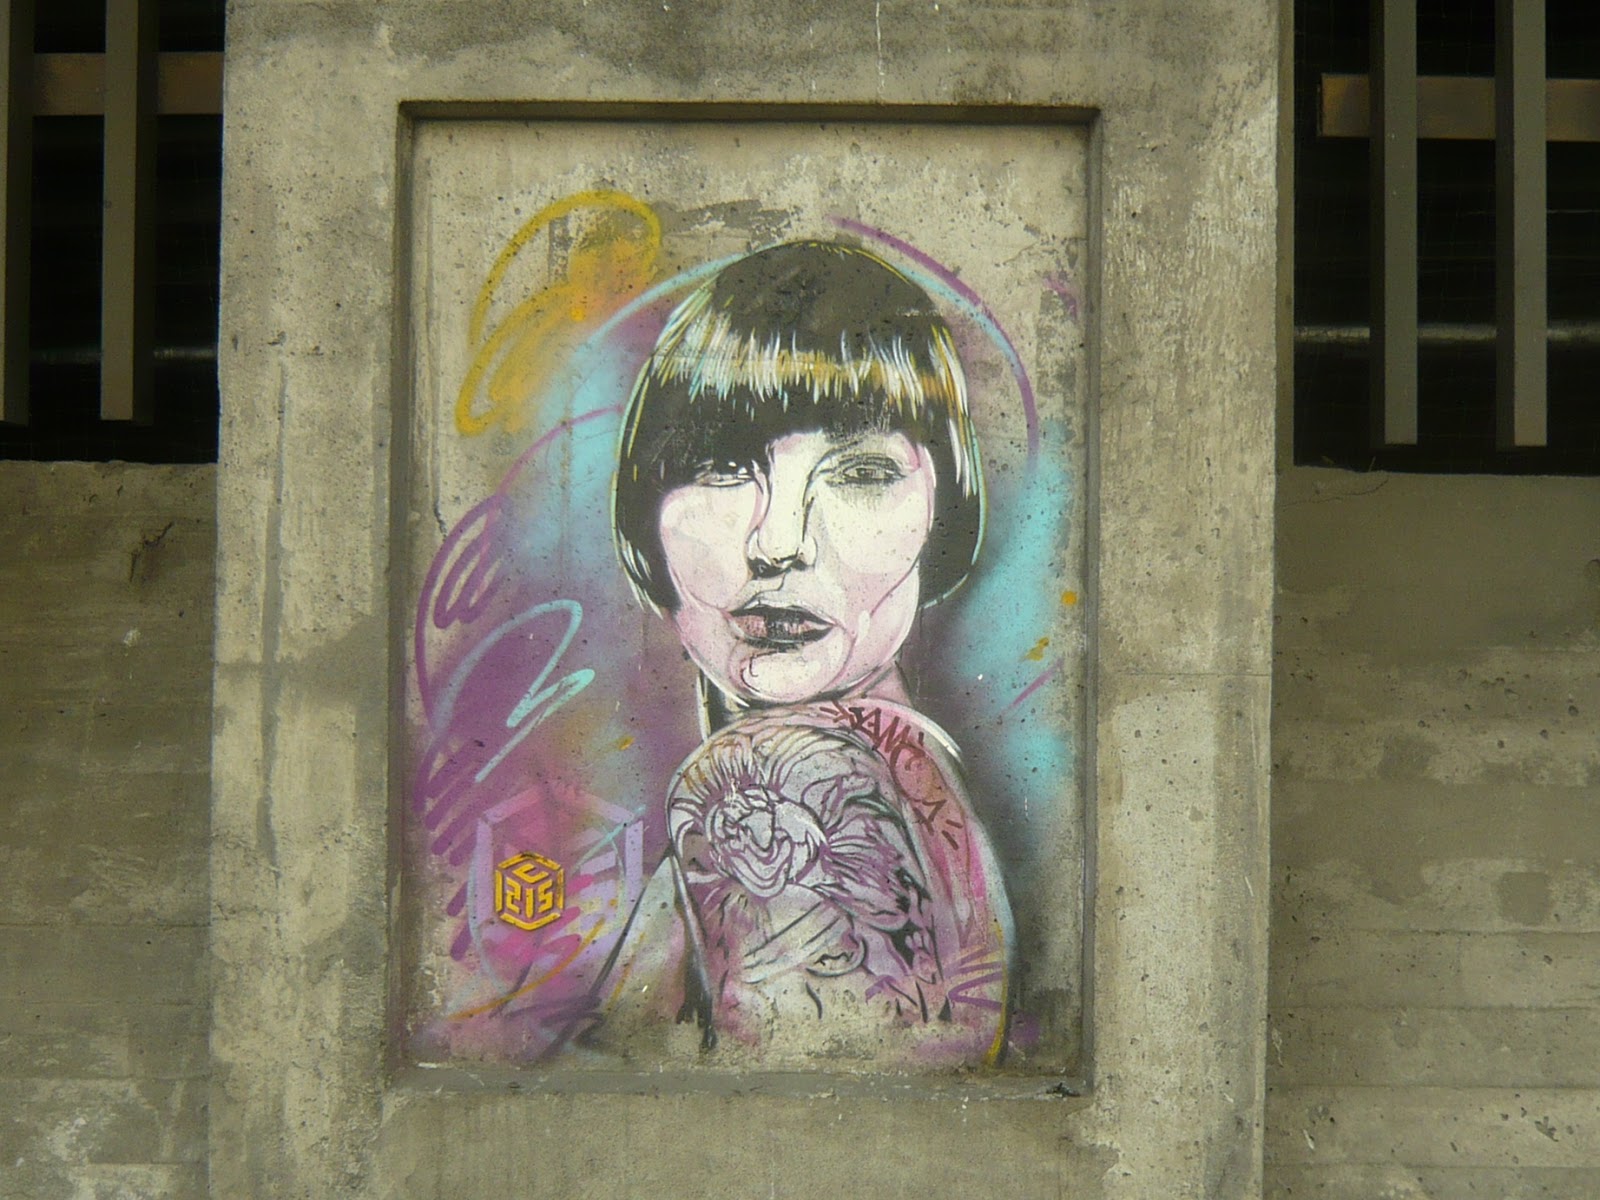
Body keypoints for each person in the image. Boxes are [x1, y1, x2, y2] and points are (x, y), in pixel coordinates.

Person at [600, 240, 1012, 1068]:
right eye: (720, 466)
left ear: (943, 514)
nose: (778, 542)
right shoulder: (909, 775)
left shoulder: (776, 783)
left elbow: (810, 1128)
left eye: (860, 472)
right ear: (647, 511)